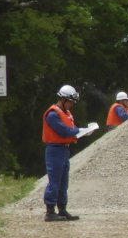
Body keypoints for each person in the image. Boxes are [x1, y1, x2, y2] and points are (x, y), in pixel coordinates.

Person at [41, 85, 98, 220]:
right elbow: (64, 131)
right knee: (55, 180)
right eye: (71, 102)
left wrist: (83, 132)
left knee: (63, 181)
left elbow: (71, 129)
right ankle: (50, 212)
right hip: (55, 150)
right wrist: (81, 131)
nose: (72, 105)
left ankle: (62, 210)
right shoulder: (53, 114)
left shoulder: (65, 113)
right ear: (63, 99)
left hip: (64, 149)